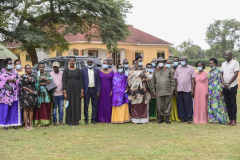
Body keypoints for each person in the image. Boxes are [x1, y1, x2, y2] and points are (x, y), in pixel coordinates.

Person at [151, 58, 175, 124]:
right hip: (158, 91)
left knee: (167, 104)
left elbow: (172, 81)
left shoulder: (168, 70)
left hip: (167, 90)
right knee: (159, 105)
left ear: (164, 63)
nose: (160, 63)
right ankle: (161, 118)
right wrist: (153, 91)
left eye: (162, 62)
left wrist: (172, 90)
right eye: (159, 62)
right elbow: (153, 82)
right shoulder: (155, 71)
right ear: (157, 63)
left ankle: (167, 118)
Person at [128, 56, 151, 124]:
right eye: (139, 60)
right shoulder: (132, 68)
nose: (141, 62)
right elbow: (129, 79)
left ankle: (143, 119)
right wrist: (138, 80)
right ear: (136, 61)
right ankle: (135, 119)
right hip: (135, 89)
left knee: (143, 103)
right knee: (135, 104)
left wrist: (145, 79)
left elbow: (149, 77)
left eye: (142, 60)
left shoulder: (144, 68)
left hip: (143, 89)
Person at [0, 58, 21, 130]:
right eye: (9, 63)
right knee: (6, 109)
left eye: (11, 63)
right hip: (5, 93)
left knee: (14, 108)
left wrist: (14, 80)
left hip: (14, 93)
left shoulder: (15, 71)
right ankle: (5, 124)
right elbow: (0, 81)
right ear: (6, 64)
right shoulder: (2, 71)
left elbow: (19, 80)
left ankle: (15, 124)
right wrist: (7, 80)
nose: (11, 65)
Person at [63, 57, 84, 125]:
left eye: (73, 61)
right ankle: (70, 120)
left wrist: (81, 91)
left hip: (77, 90)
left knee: (77, 104)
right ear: (69, 62)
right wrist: (65, 92)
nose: (72, 62)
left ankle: (76, 120)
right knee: (69, 104)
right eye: (70, 61)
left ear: (75, 62)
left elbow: (81, 81)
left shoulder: (78, 70)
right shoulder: (65, 70)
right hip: (69, 90)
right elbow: (64, 81)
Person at [221, 51, 239, 126]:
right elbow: (221, 74)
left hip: (232, 86)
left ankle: (234, 120)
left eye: (227, 55)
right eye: (225, 55)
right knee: (227, 103)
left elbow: (235, 74)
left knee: (232, 103)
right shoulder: (223, 64)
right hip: (224, 86)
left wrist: (228, 84)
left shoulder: (235, 63)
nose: (226, 56)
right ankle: (230, 119)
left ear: (231, 55)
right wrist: (224, 83)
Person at [174, 56, 195, 124]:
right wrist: (175, 89)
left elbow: (192, 79)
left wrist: (192, 90)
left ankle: (189, 118)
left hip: (187, 89)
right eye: (182, 60)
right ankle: (183, 117)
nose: (182, 61)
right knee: (181, 104)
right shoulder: (178, 68)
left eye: (184, 60)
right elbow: (176, 79)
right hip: (179, 89)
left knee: (188, 104)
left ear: (186, 61)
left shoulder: (191, 68)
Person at [207, 58, 228, 124]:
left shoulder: (218, 71)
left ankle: (220, 119)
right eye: (210, 63)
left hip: (217, 90)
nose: (211, 64)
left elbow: (220, 81)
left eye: (212, 63)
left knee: (218, 105)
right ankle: (213, 119)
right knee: (212, 105)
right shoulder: (210, 71)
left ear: (215, 63)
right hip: (211, 90)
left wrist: (221, 90)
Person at [81, 58, 100, 125]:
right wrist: (82, 90)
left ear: (93, 62)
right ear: (86, 62)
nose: (89, 63)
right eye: (88, 62)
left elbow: (98, 81)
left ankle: (93, 119)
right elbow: (81, 81)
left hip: (94, 89)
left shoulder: (96, 70)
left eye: (91, 62)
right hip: (86, 90)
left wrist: (98, 90)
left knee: (94, 105)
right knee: (86, 105)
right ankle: (86, 119)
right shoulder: (83, 70)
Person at [19, 65, 37, 130]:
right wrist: (29, 90)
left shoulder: (34, 76)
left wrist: (28, 76)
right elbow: (21, 85)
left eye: (30, 68)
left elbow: (33, 81)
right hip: (25, 94)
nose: (29, 69)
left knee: (31, 109)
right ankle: (26, 124)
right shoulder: (22, 76)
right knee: (26, 109)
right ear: (25, 70)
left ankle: (30, 124)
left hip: (33, 94)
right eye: (27, 68)